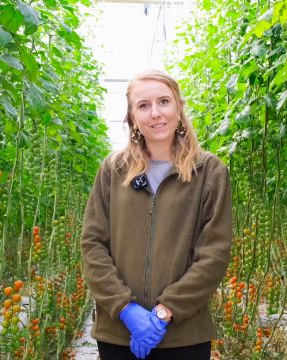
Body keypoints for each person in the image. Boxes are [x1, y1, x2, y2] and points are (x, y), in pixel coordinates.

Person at [80, 69, 233, 360]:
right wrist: (125, 309)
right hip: (119, 333)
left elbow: (214, 252)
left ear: (178, 107)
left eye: (164, 101)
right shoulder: (113, 170)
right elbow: (93, 244)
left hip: (183, 335)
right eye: (143, 105)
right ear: (132, 117)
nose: (155, 113)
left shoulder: (210, 172)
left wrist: (166, 311)